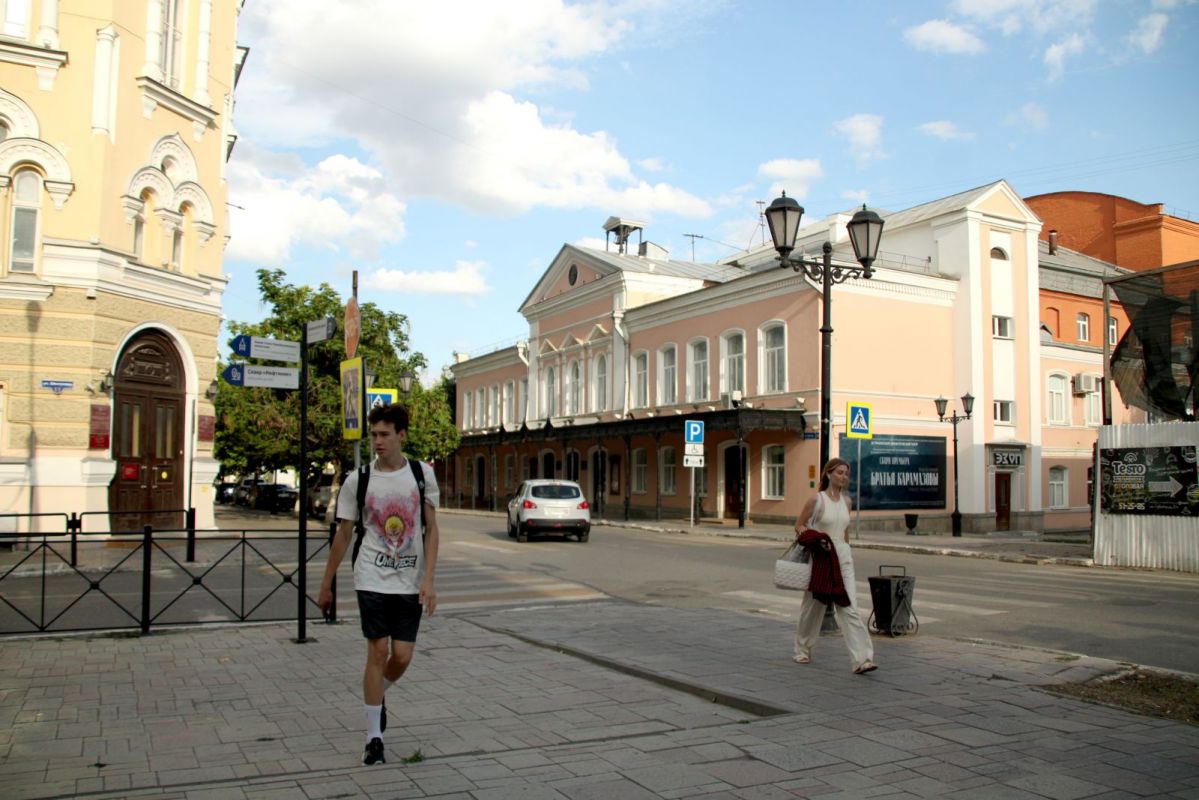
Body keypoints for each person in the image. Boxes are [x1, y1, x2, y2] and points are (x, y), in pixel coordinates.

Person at [318, 404, 440, 766]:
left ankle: (377, 694)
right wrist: (326, 583)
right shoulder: (359, 480)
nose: (378, 441)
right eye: (374, 435)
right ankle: (374, 739)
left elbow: (432, 530)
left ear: (402, 435)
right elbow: (344, 534)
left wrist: (429, 580)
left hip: (409, 579)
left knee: (401, 656)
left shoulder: (421, 475)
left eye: (385, 434)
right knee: (377, 652)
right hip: (370, 576)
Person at [791, 457, 878, 675]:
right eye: (839, 472)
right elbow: (799, 525)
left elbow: (845, 530)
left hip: (843, 559)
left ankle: (862, 659)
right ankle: (802, 649)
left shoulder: (847, 502)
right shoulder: (816, 500)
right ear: (828, 474)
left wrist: (848, 551)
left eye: (846, 473)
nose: (843, 477)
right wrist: (814, 537)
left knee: (849, 607)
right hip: (821, 559)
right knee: (813, 606)